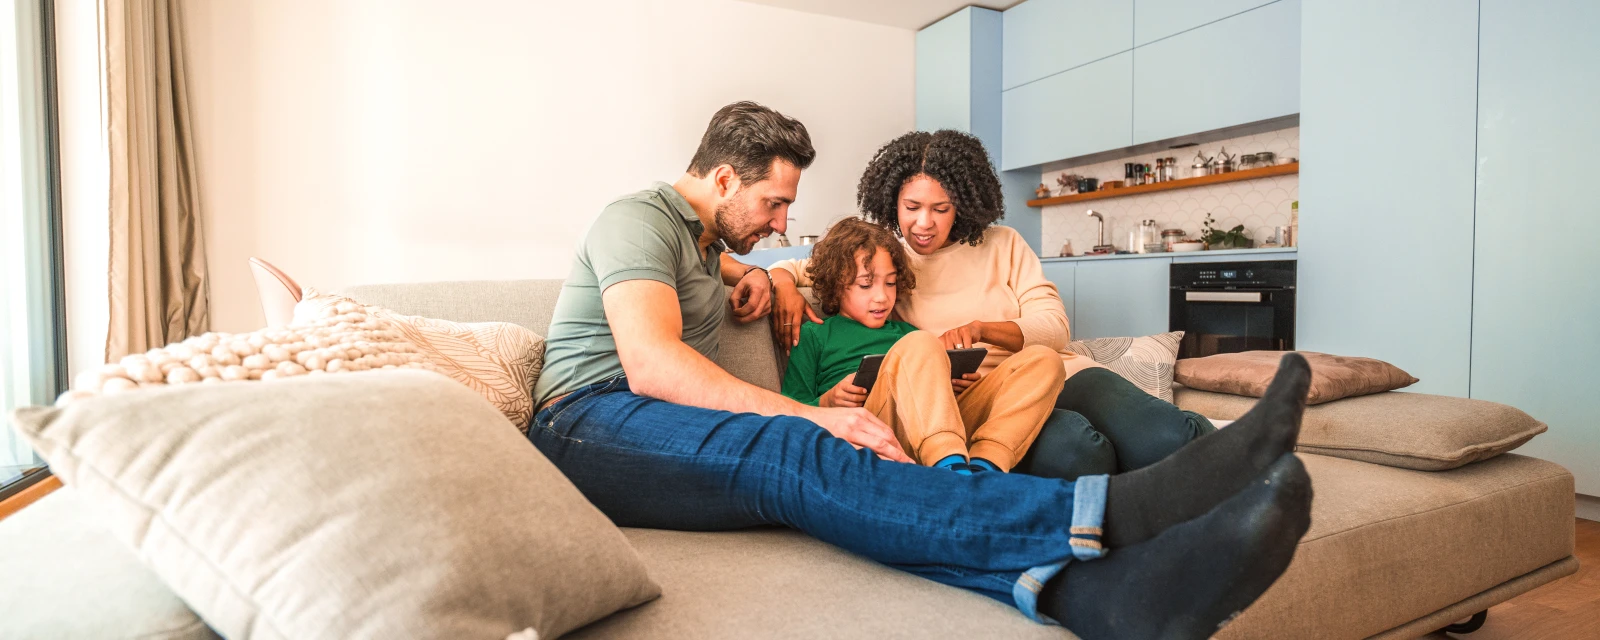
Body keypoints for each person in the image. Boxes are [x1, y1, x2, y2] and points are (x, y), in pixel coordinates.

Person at [528, 100, 1313, 638]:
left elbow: (789, 271)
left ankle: (1100, 598)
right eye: (772, 204)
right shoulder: (636, 219)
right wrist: (813, 410)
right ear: (725, 180)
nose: (779, 223)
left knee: (841, 476)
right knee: (802, 449)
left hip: (647, 428)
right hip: (587, 421)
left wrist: (758, 277)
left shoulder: (705, 246)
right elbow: (653, 366)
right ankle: (1111, 513)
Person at [765, 130, 1214, 480]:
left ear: (962, 203)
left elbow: (1054, 326)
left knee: (1166, 436)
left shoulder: (1003, 244)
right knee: (1079, 452)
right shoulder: (890, 256)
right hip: (977, 406)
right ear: (892, 203)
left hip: (1053, 374)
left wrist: (982, 329)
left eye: (941, 208)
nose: (924, 223)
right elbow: (822, 267)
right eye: (912, 206)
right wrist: (779, 279)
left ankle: (1236, 453)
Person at [780, 217, 1064, 474]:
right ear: (835, 284)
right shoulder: (815, 335)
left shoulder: (907, 332)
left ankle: (986, 465)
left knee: (1044, 360)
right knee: (921, 342)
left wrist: (949, 383)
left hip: (939, 423)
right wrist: (827, 402)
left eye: (890, 284)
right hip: (875, 423)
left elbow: (931, 391)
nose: (881, 298)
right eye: (866, 285)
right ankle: (947, 467)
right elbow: (787, 409)